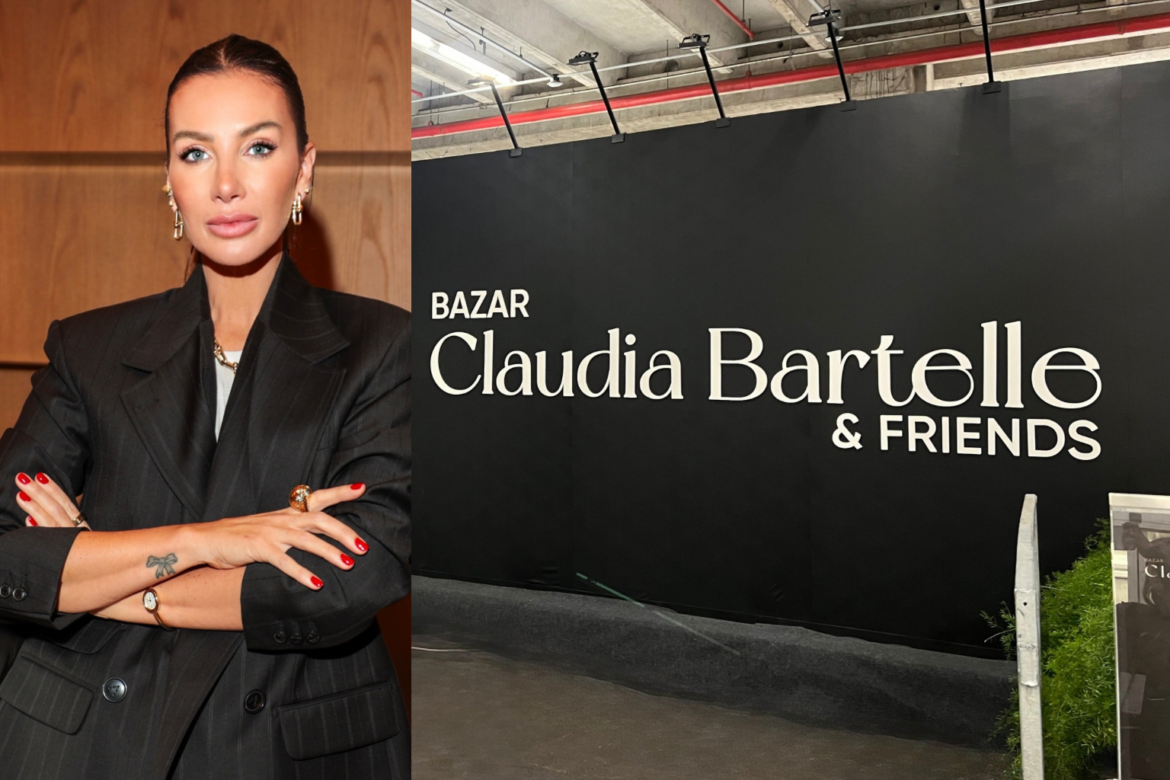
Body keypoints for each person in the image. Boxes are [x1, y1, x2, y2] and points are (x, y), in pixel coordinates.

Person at [0, 34, 410, 778]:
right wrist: (203, 542)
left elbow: (344, 581)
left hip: (285, 748)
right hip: (90, 739)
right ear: (169, 178)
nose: (225, 184)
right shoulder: (88, 347)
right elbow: (6, 554)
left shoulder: (383, 347)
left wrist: (102, 568)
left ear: (304, 168)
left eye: (258, 148)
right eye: (195, 153)